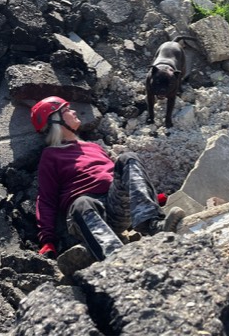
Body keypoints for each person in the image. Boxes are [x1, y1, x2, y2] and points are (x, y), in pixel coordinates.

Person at [30, 95, 185, 261]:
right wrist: (47, 239)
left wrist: (148, 197)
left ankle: (152, 224)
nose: (74, 111)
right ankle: (116, 260)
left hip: (116, 206)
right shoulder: (51, 155)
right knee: (81, 203)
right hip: (88, 215)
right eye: (66, 110)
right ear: (55, 121)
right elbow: (46, 199)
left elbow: (123, 176)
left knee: (127, 158)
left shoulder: (93, 147)